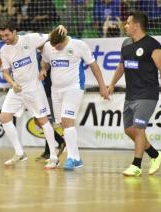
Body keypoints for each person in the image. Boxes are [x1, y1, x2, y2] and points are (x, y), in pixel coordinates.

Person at [108, 11, 161, 176]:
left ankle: (136, 165)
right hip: (130, 95)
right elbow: (121, 67)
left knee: (139, 129)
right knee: (129, 129)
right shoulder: (125, 44)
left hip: (147, 94)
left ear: (137, 25)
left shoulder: (153, 45)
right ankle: (155, 154)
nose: (125, 25)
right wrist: (111, 85)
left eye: (128, 23)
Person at [0, 19, 66, 169]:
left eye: (7, 35)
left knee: (43, 121)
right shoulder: (4, 50)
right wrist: (13, 83)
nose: (4, 39)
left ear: (14, 31)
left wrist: (60, 27)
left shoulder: (30, 39)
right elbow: (5, 73)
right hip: (17, 90)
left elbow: (52, 36)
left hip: (34, 89)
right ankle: (20, 153)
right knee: (4, 118)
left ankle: (54, 157)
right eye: (2, 36)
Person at [40, 28, 109, 170]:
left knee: (67, 121)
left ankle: (72, 157)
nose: (55, 49)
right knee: (61, 124)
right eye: (53, 47)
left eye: (58, 46)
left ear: (64, 40)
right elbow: (45, 62)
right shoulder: (48, 46)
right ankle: (77, 158)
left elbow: (93, 65)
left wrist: (102, 86)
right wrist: (43, 69)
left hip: (74, 87)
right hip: (55, 90)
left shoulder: (79, 45)